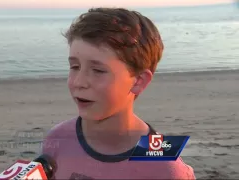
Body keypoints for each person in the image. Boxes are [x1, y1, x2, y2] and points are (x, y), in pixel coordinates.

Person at [41, 7, 196, 179]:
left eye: (98, 70)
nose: (79, 82)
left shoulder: (164, 162)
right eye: (75, 67)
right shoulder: (57, 139)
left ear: (138, 81)